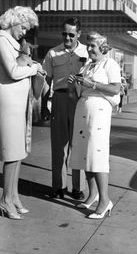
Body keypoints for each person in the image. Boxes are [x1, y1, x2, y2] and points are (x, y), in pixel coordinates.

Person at [0, 6, 43, 219]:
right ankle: (5, 199)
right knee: (12, 153)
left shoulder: (14, 43)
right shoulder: (1, 40)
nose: (25, 32)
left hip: (18, 103)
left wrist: (32, 65)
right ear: (13, 21)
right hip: (8, 102)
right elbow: (13, 72)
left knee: (18, 152)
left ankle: (13, 196)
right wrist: (36, 68)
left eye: (27, 29)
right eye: (23, 27)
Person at [68, 31, 121, 219]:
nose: (89, 48)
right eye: (88, 45)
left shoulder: (110, 64)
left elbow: (116, 88)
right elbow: (77, 93)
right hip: (83, 111)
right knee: (85, 154)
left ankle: (105, 201)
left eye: (92, 45)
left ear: (102, 47)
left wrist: (93, 85)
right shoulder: (88, 66)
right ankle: (92, 195)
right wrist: (74, 85)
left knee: (97, 154)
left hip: (99, 113)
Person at [42, 17, 88, 200]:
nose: (67, 38)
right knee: (58, 146)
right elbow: (47, 81)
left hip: (79, 100)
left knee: (78, 145)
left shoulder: (86, 51)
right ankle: (58, 186)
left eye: (71, 34)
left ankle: (77, 187)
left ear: (78, 34)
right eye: (64, 34)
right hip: (59, 99)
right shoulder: (52, 53)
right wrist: (44, 105)